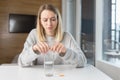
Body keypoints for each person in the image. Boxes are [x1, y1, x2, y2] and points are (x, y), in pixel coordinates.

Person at [18, 4, 87, 68]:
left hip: (62, 75)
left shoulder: (67, 36)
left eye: (53, 19)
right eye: (45, 20)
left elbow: (83, 62)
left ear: (58, 20)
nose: (49, 24)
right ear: (40, 21)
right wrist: (33, 50)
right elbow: (21, 62)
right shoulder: (34, 34)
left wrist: (66, 52)